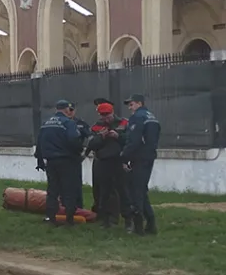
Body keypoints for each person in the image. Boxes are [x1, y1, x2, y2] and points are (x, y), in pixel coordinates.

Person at [34, 100, 83, 226]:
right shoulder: (68, 123)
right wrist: (78, 152)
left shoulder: (46, 124)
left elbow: (39, 143)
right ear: (67, 110)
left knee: (52, 190)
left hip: (50, 161)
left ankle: (51, 217)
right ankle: (69, 218)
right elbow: (74, 139)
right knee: (68, 189)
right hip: (66, 161)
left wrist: (39, 160)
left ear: (56, 109)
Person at [87, 101, 132, 229]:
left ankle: (128, 219)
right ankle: (107, 219)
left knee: (123, 191)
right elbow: (91, 144)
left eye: (107, 114)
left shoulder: (123, 123)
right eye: (102, 115)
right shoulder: (96, 126)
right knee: (104, 193)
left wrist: (118, 136)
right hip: (102, 162)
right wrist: (101, 137)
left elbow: (130, 140)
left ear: (112, 112)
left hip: (118, 161)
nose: (105, 117)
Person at [120, 94, 161, 235]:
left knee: (136, 192)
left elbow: (134, 140)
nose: (130, 108)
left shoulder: (137, 117)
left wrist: (124, 157)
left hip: (139, 157)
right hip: (149, 156)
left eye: (132, 104)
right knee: (141, 190)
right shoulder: (152, 117)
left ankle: (139, 228)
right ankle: (151, 224)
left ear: (139, 103)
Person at [69, 103, 91, 208]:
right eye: (68, 110)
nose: (70, 112)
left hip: (75, 157)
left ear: (75, 110)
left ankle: (78, 207)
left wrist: (85, 154)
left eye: (71, 110)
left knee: (76, 183)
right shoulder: (60, 123)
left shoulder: (80, 124)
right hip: (62, 156)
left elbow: (91, 138)